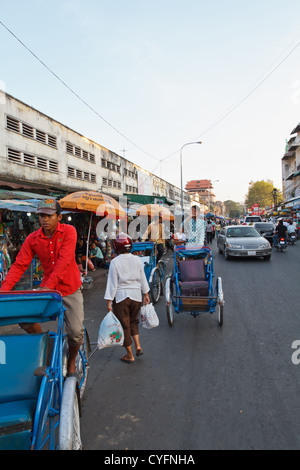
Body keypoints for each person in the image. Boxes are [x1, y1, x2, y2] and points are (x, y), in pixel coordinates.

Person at [0, 199, 85, 375]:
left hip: (68, 288)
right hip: (48, 289)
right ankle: (44, 344)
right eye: (41, 216)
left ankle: (71, 362)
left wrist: (46, 288)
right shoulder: (33, 238)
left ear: (59, 217)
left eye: (49, 215)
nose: (44, 220)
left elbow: (64, 261)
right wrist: (3, 291)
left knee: (76, 332)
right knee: (24, 318)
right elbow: (19, 265)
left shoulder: (69, 231)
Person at [104, 233, 150, 364]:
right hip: (136, 296)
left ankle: (130, 355)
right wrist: (146, 294)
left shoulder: (115, 262)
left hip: (121, 297)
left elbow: (112, 284)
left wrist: (109, 302)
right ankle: (138, 345)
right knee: (133, 321)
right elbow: (142, 278)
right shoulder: (137, 259)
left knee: (124, 326)